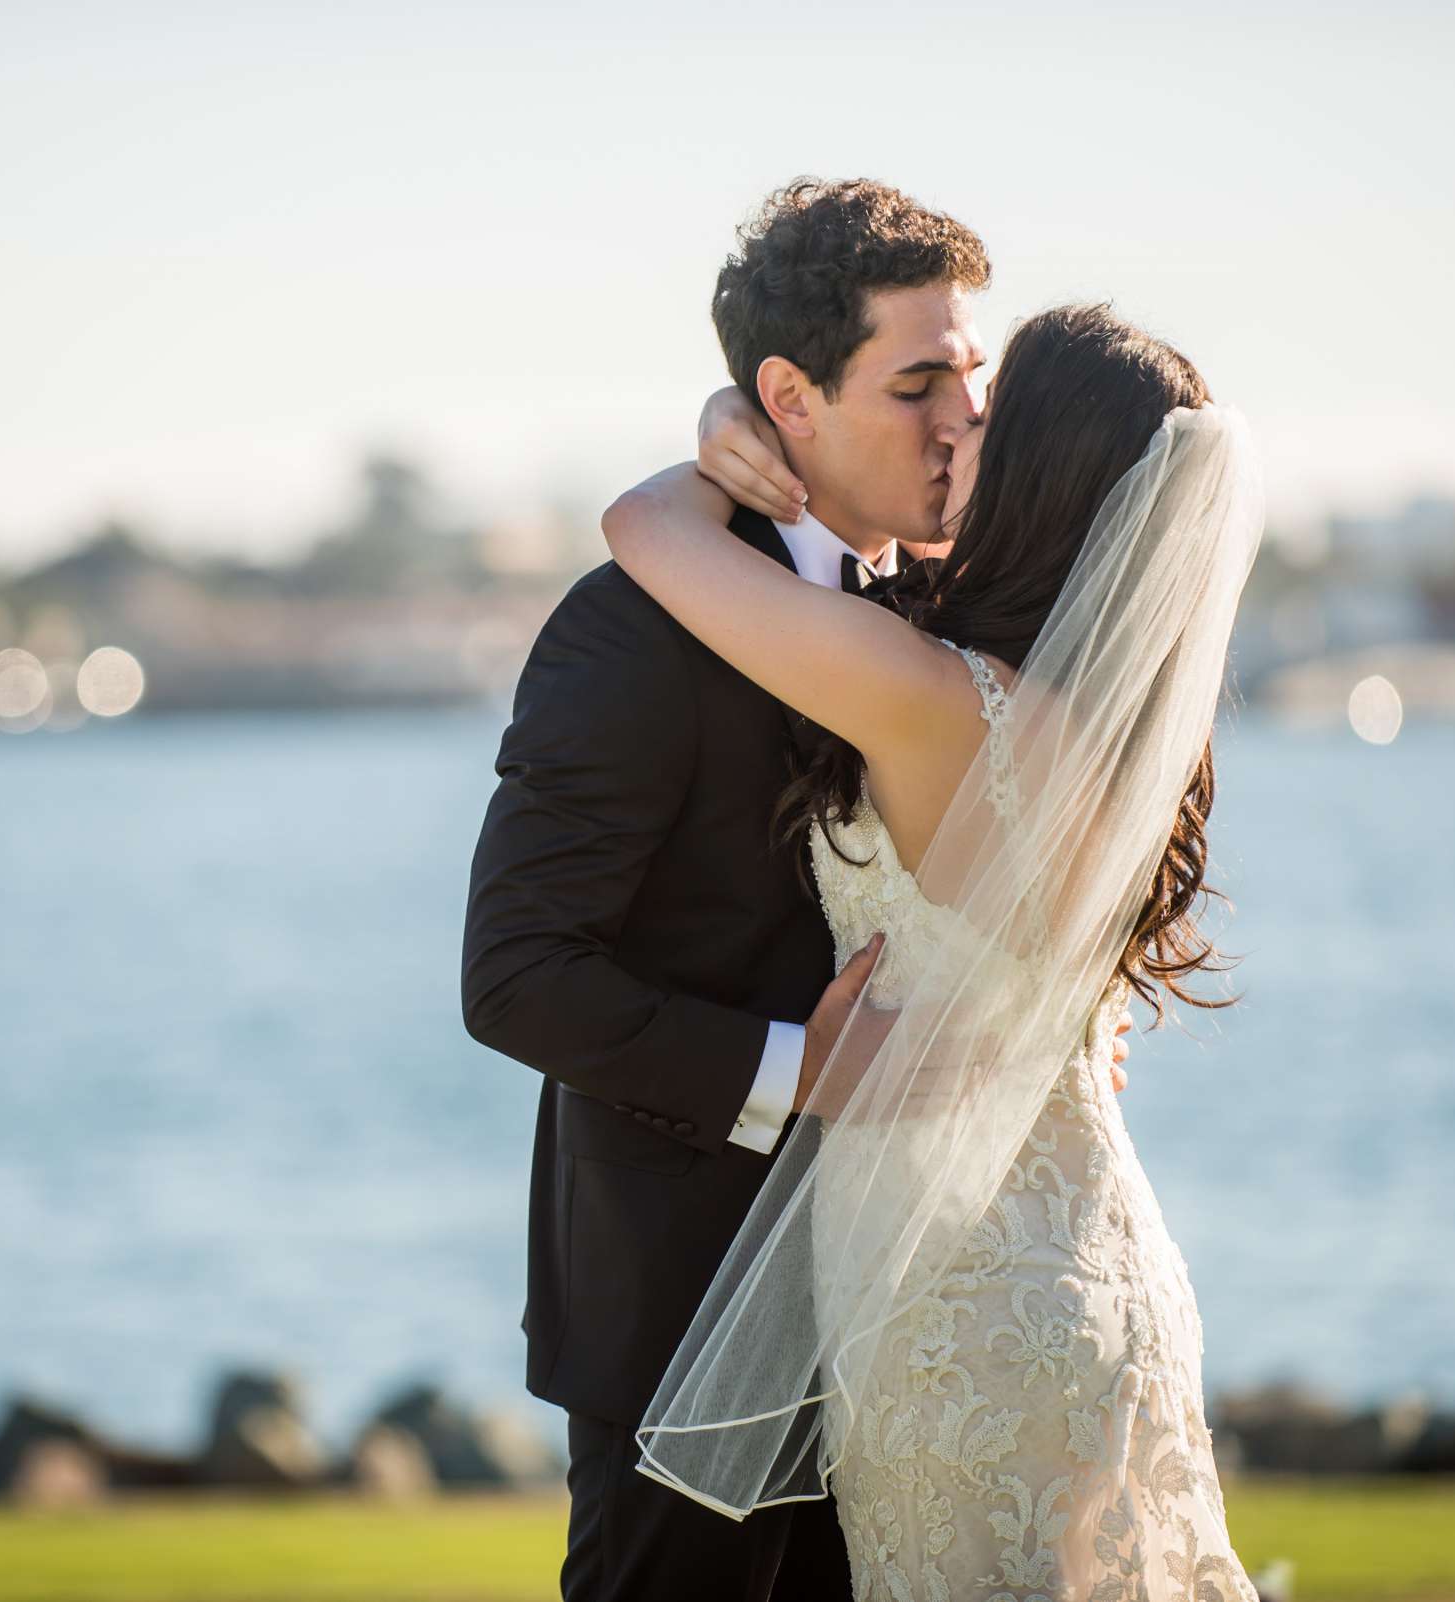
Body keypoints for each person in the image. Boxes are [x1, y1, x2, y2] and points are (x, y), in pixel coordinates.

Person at [460, 179, 1130, 1602]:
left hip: (927, 1333)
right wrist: (793, 1068)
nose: (960, 414)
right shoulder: (632, 626)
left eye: (973, 373)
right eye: (917, 379)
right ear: (790, 400)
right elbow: (514, 971)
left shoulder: (954, 618)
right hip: (684, 1315)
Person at [612, 300, 1267, 1598]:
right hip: (1080, 1265)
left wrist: (731, 444)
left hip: (959, 1300)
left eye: (988, 403)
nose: (957, 419)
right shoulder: (1114, 729)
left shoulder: (930, 698)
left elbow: (643, 530)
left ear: (1036, 463)